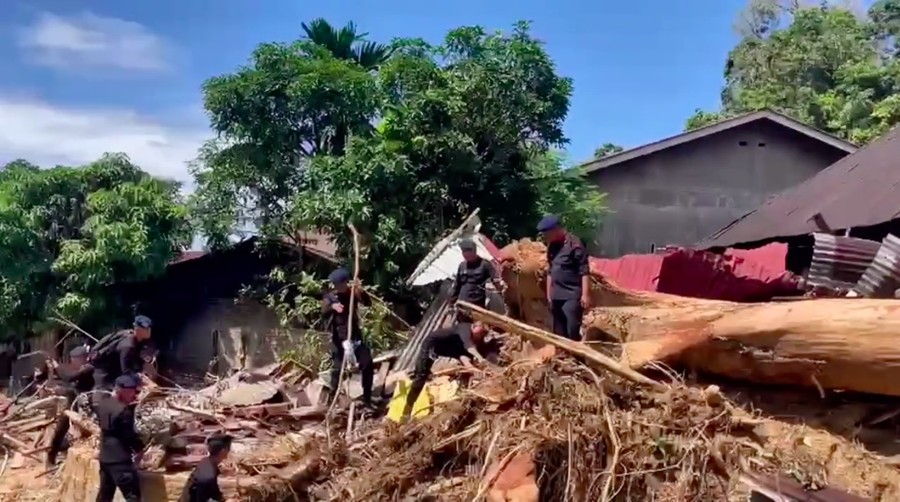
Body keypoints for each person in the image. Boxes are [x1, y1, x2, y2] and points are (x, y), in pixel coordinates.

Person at [401, 323, 491, 419]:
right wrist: (481, 359)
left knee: (465, 360)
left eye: (482, 335)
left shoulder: (467, 343)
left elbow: (463, 357)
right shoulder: (465, 329)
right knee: (421, 376)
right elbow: (469, 346)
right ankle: (407, 409)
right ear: (474, 326)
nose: (479, 336)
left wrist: (473, 369)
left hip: (447, 349)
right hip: (431, 345)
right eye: (479, 333)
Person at [323, 268, 375, 410]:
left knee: (367, 363)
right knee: (337, 369)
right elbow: (323, 311)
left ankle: (367, 399)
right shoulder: (331, 297)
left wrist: (361, 290)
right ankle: (331, 401)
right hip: (339, 340)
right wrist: (332, 307)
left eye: (340, 284)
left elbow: (368, 303)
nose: (337, 287)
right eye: (335, 285)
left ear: (346, 283)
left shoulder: (353, 293)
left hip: (355, 338)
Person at [537, 215, 590, 341]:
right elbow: (551, 271)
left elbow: (584, 271)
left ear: (556, 229)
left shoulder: (575, 245)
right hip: (556, 295)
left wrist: (585, 295)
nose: (546, 237)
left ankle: (577, 358)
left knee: (572, 329)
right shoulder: (552, 246)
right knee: (558, 332)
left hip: (572, 295)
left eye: (547, 233)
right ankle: (563, 358)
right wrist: (549, 295)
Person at [43, 346, 95, 467]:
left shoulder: (88, 368)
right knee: (61, 429)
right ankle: (51, 458)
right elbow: (72, 386)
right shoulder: (82, 369)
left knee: (89, 431)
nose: (72, 362)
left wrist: (57, 366)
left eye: (74, 359)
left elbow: (67, 377)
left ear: (81, 358)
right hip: (74, 403)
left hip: (87, 405)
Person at [95, 374, 144, 502]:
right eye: (131, 391)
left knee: (105, 495)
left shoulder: (103, 404)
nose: (134, 395)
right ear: (120, 391)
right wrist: (140, 449)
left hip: (105, 457)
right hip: (120, 460)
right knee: (132, 496)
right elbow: (128, 435)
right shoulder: (123, 411)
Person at [92, 315, 154, 390]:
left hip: (116, 370)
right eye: (145, 329)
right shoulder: (127, 346)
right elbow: (125, 370)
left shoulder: (137, 340)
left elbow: (135, 358)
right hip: (105, 374)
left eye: (149, 328)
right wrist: (139, 377)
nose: (148, 331)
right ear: (137, 329)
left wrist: (144, 365)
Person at [450, 239, 507, 320]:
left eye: (468, 253)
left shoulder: (484, 265)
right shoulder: (462, 266)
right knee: (463, 330)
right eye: (464, 253)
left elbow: (496, 280)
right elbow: (457, 286)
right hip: (462, 307)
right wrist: (451, 304)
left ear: (474, 251)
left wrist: (502, 290)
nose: (466, 256)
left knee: (478, 330)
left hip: (477, 306)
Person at [179, 433, 232, 502]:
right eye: (229, 449)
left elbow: (214, 492)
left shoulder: (206, 462)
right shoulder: (208, 476)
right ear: (223, 451)